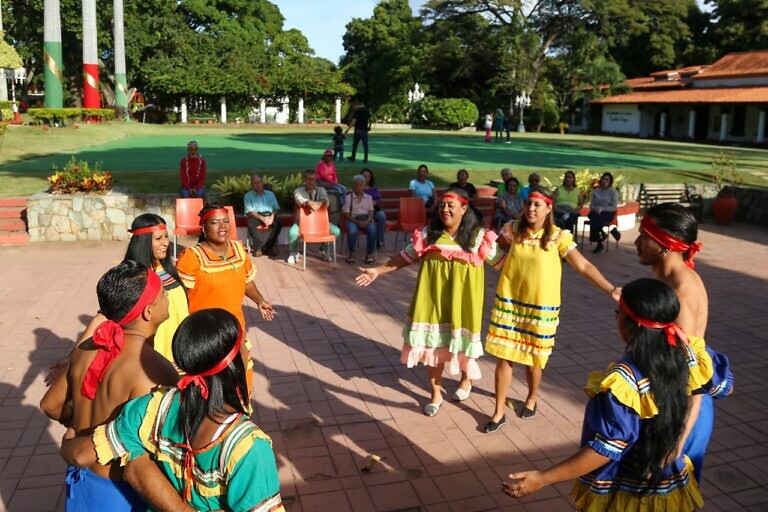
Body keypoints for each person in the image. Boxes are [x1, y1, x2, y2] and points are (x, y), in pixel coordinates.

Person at [503, 279, 705, 511]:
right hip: (668, 484)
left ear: (632, 325)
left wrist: (543, 478)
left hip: (628, 491)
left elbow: (606, 449)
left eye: (618, 312)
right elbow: (697, 395)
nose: (616, 317)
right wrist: (676, 446)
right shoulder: (686, 352)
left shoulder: (625, 380)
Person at [61, 309, 285, 512]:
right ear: (234, 362)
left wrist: (68, 442)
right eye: (244, 343)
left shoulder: (149, 409)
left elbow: (81, 455)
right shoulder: (248, 447)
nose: (249, 349)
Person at [40, 261, 181, 511]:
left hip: (82, 479)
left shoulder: (86, 349)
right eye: (162, 293)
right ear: (148, 312)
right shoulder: (155, 369)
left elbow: (50, 404)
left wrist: (78, 424)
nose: (167, 296)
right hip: (124, 492)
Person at [356, 188, 504, 416]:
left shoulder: (479, 238)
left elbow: (505, 264)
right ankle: (435, 394)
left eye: (450, 206)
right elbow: (405, 257)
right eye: (442, 205)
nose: (445, 210)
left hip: (464, 304)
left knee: (463, 344)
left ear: (464, 209)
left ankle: (466, 381)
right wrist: (378, 270)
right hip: (432, 301)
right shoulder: (428, 235)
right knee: (433, 347)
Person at [484, 186, 619, 432]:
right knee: (504, 357)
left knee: (533, 359)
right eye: (528, 204)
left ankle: (532, 397)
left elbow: (584, 267)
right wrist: (494, 259)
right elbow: (494, 247)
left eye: (537, 205)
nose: (531, 209)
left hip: (541, 308)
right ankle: (498, 411)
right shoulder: (512, 230)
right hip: (510, 305)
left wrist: (610, 289)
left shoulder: (559, 237)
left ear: (548, 209)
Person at [635, 203, 733, 482]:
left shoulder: (681, 293)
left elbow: (693, 378)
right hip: (669, 405)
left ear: (665, 244)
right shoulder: (672, 281)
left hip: (681, 415)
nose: (637, 242)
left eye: (645, 235)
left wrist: (677, 438)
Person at [176, 202, 276, 398]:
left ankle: (240, 414)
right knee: (211, 384)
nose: (222, 226)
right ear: (204, 228)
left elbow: (246, 282)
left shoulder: (239, 251)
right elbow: (180, 297)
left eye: (225, 221)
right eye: (215, 222)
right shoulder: (192, 258)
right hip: (205, 334)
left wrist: (260, 300)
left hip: (234, 327)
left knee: (240, 376)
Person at [286, 169, 341, 265]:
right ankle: (293, 252)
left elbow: (326, 202)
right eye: (309, 179)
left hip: (320, 223)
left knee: (336, 231)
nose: (311, 181)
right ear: (305, 180)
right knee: (292, 233)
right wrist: (313, 203)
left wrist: (317, 204)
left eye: (313, 179)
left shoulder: (321, 190)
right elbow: (301, 201)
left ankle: (323, 249)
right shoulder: (298, 191)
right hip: (302, 222)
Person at [244, 174, 281, 257]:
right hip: (256, 215)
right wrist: (262, 218)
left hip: (270, 214)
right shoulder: (248, 196)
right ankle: (259, 248)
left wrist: (271, 217)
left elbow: (276, 208)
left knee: (278, 223)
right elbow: (250, 212)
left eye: (259, 182)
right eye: (255, 183)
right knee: (251, 224)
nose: (257, 185)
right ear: (252, 185)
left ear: (262, 182)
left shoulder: (270, 194)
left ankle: (269, 247)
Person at [343, 175, 376, 265]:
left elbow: (371, 211)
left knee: (372, 230)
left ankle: (369, 254)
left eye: (361, 185)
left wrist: (367, 221)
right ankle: (352, 253)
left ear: (364, 186)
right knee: (352, 231)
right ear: (354, 186)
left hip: (366, 219)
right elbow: (346, 213)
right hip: (353, 219)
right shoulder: (348, 197)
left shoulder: (368, 197)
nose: (358, 187)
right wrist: (357, 222)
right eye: (356, 185)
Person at [588, 172, 619, 253]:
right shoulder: (596, 191)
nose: (605, 181)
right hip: (596, 211)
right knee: (593, 218)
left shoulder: (613, 192)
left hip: (608, 212)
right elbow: (591, 205)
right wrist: (596, 208)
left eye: (607, 180)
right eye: (603, 179)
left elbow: (614, 207)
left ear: (610, 182)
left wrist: (603, 209)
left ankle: (599, 242)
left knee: (595, 221)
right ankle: (602, 235)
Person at [362, 167, 387, 250]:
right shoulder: (359, 188)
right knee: (371, 221)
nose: (366, 178)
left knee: (382, 216)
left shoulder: (373, 188)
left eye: (368, 176)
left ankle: (379, 240)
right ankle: (373, 239)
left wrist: (375, 202)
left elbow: (379, 200)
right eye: (364, 176)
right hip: (363, 211)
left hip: (375, 209)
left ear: (371, 178)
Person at [345, 97, 372, 163]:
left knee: (355, 144)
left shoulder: (357, 111)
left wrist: (347, 130)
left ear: (356, 105)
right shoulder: (366, 110)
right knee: (365, 145)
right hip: (365, 131)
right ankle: (366, 158)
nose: (353, 108)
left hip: (358, 130)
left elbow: (354, 121)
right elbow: (370, 119)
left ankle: (353, 157)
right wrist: (369, 126)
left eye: (353, 106)